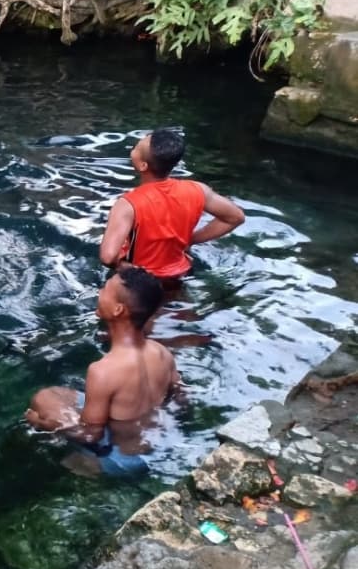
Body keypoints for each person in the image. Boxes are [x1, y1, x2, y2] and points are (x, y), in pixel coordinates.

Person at [25, 266, 180, 476]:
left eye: (105, 289)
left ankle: (92, 471)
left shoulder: (103, 371)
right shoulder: (162, 353)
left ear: (118, 309)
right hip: (149, 445)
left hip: (120, 459)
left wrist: (44, 424)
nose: (99, 292)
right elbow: (179, 397)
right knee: (46, 397)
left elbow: (91, 435)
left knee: (46, 434)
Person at [99, 129, 245, 282]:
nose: (133, 147)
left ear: (142, 165)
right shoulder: (197, 190)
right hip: (181, 273)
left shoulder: (128, 205)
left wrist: (127, 269)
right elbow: (235, 217)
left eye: (136, 147)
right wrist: (190, 240)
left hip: (139, 283)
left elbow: (108, 257)